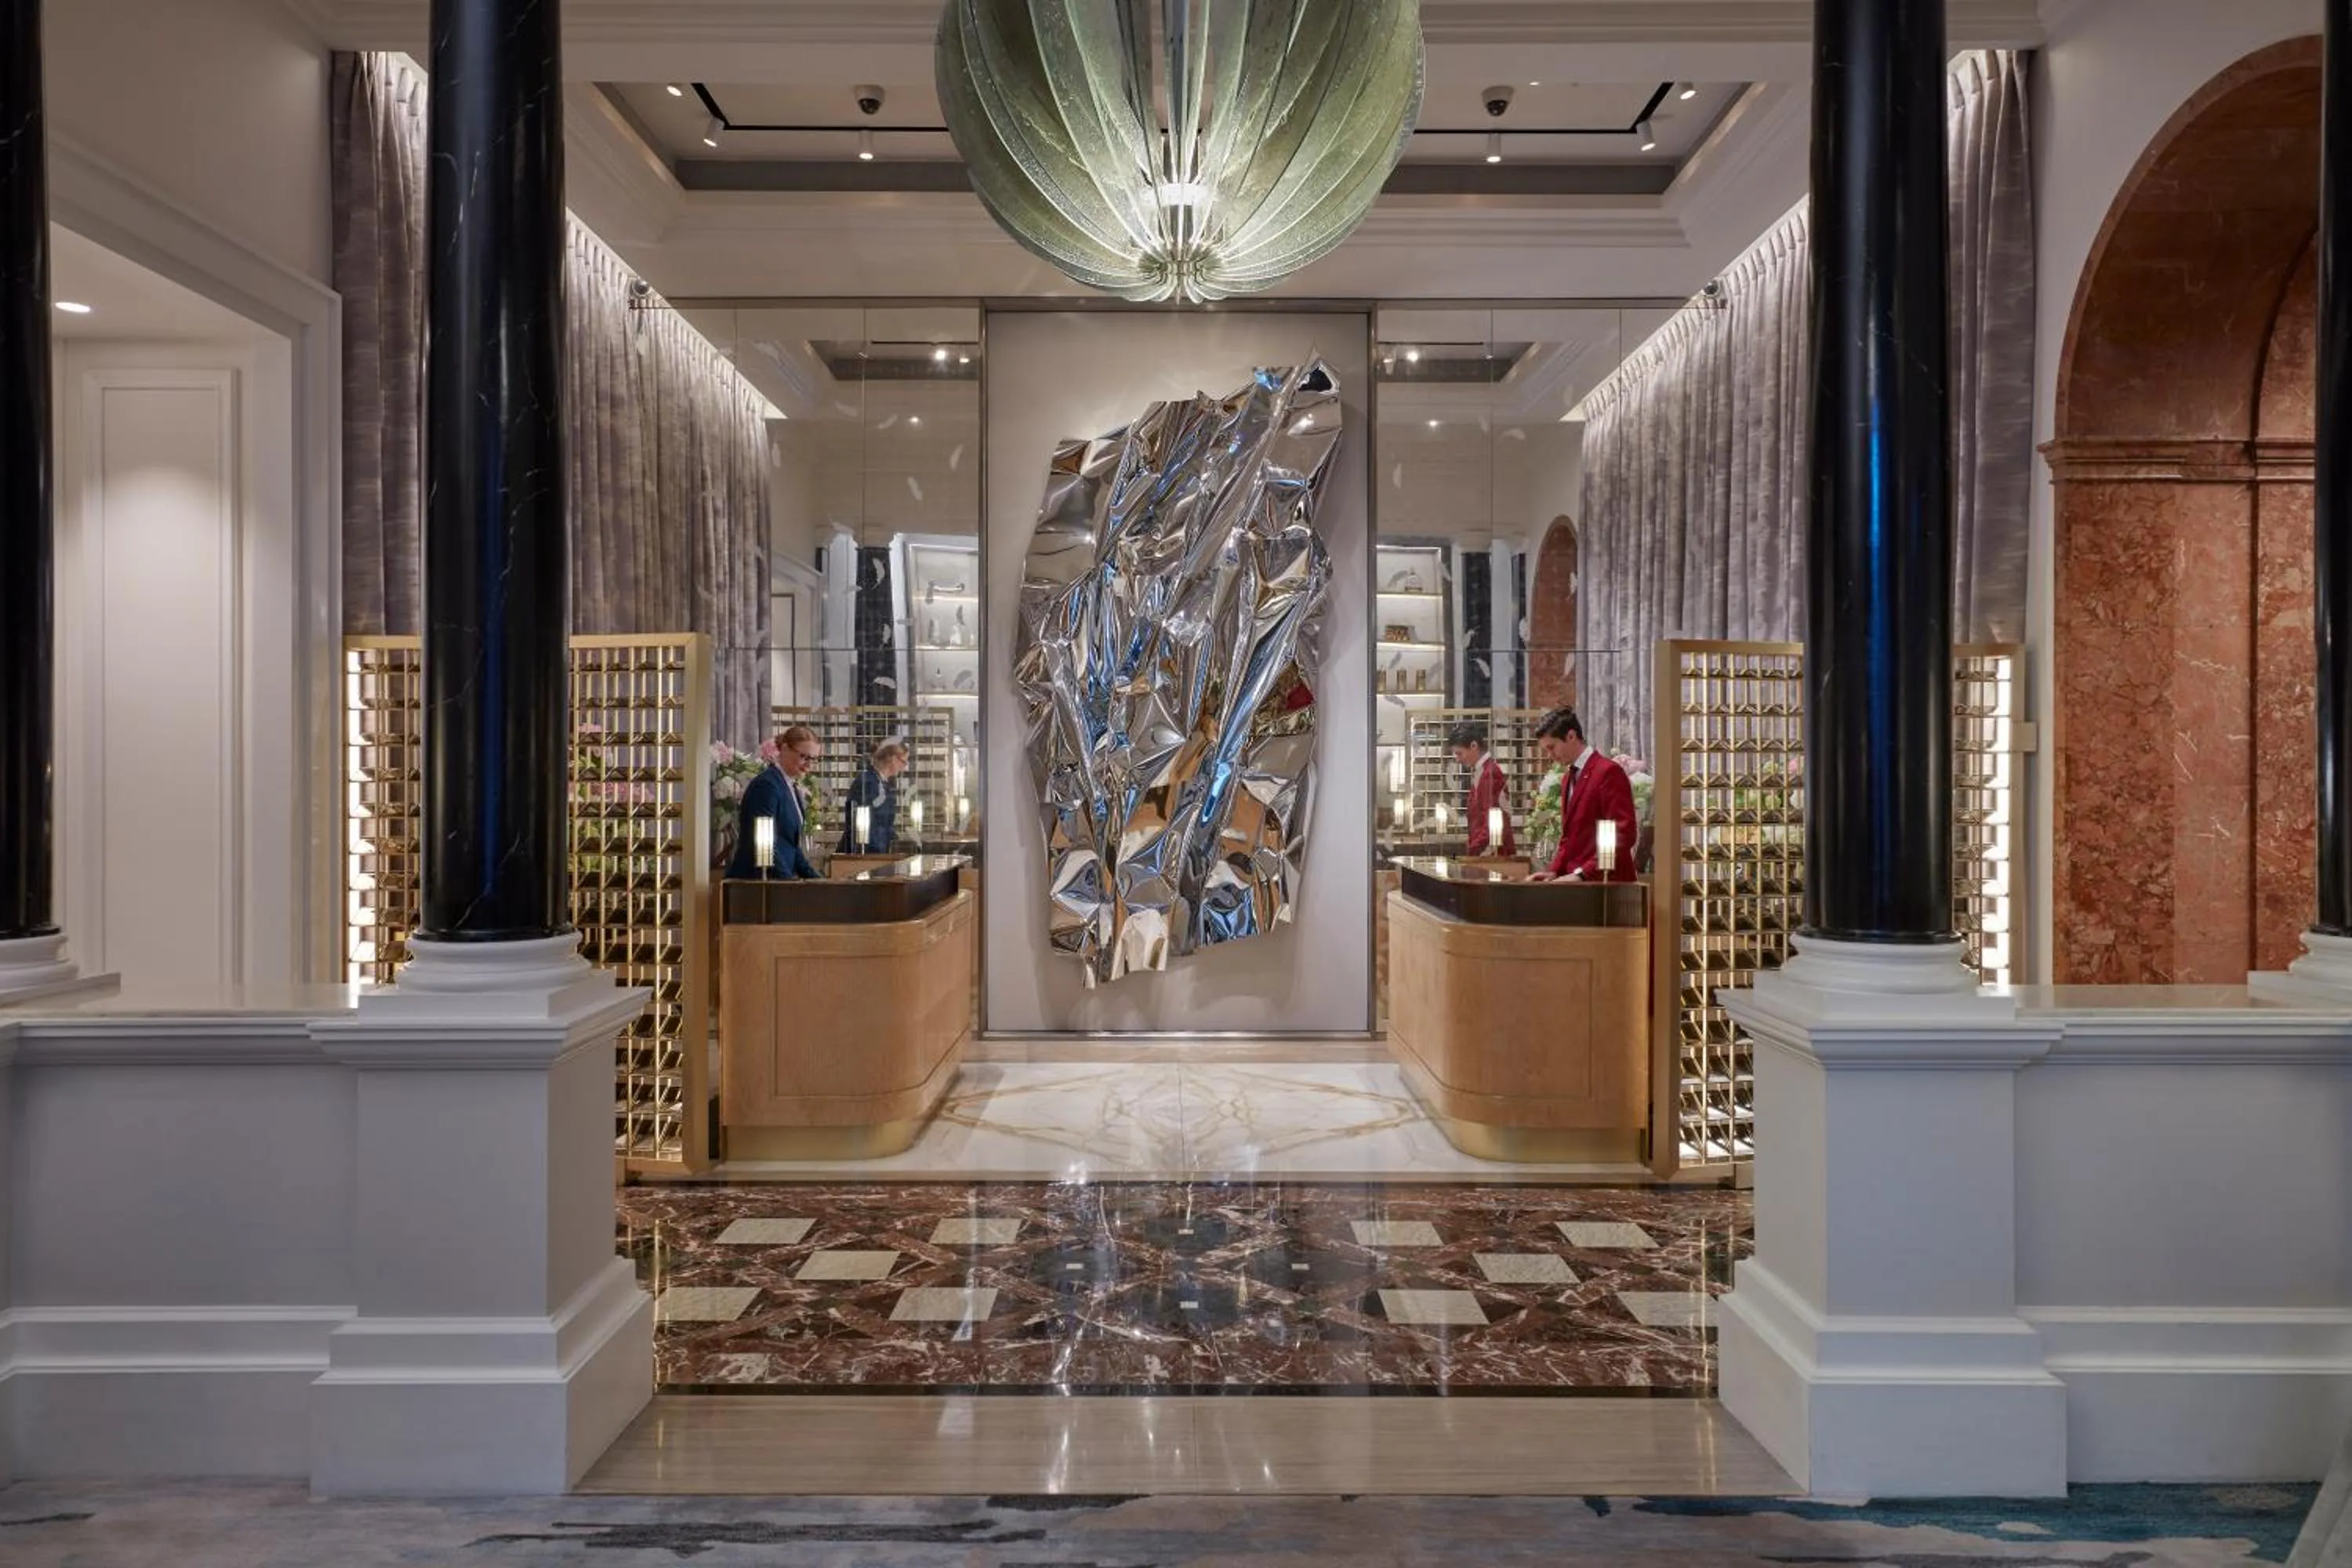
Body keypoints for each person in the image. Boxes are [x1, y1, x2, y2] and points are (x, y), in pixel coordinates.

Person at [1528, 707, 1638, 884]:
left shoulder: (1608, 771)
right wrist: (1554, 872)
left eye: (1551, 747)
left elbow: (1623, 834)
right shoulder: (1567, 779)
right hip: (1580, 886)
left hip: (1606, 885)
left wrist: (1582, 874)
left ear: (1571, 736)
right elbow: (1568, 838)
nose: (1550, 756)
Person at [725, 725, 820, 880]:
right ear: (784, 749)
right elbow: (767, 846)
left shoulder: (790, 786)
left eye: (814, 759)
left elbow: (792, 847)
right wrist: (787, 884)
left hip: (777, 882)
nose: (810, 764)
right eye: (804, 757)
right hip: (758, 883)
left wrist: (818, 881)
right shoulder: (767, 785)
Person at [1449, 722, 1515, 858]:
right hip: (1487, 849)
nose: (1457, 759)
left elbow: (1491, 820)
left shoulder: (1489, 773)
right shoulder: (1484, 771)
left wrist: (1473, 851)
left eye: (1459, 753)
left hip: (1492, 853)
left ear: (1474, 746)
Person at [838, 738, 909, 852]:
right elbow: (868, 826)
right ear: (893, 759)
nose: (904, 767)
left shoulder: (882, 784)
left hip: (874, 852)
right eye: (903, 762)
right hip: (863, 854)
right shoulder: (868, 782)